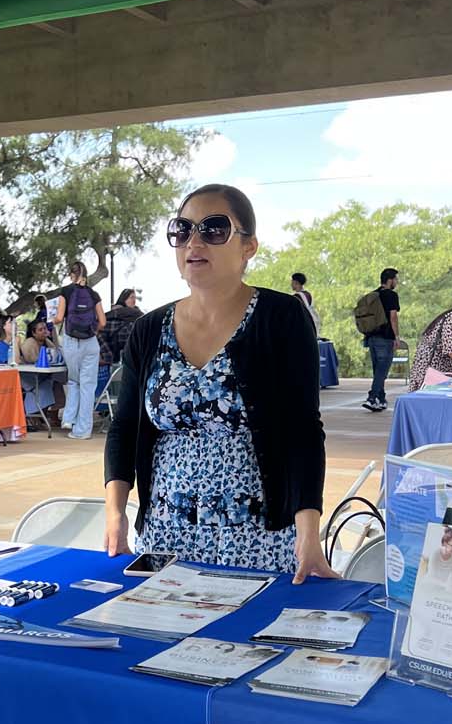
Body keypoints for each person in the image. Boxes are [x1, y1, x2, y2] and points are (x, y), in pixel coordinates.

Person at [103, 183, 334, 581]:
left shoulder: (281, 318)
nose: (195, 241)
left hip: (257, 531)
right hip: (166, 527)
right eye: (183, 229)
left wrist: (309, 531)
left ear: (249, 246)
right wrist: (115, 514)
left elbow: (302, 430)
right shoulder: (148, 329)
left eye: (214, 229)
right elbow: (125, 427)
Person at [54, 260, 106, 439]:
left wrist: (52, 320)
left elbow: (60, 317)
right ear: (86, 275)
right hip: (91, 343)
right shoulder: (94, 294)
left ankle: (68, 418)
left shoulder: (66, 292)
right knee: (88, 386)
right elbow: (103, 322)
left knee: (74, 381)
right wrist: (92, 331)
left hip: (72, 342)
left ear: (71, 275)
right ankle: (83, 430)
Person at [361, 267, 401, 414]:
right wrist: (396, 336)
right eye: (396, 279)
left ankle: (381, 400)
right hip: (385, 338)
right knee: (382, 371)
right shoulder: (391, 295)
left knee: (378, 370)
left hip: (371, 337)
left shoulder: (373, 295)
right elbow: (393, 317)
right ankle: (371, 398)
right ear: (390, 280)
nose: (397, 282)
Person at [18, 317, 66, 420]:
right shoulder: (29, 343)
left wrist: (53, 333)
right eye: (41, 329)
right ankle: (36, 416)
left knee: (57, 382)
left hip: (41, 374)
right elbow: (31, 360)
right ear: (33, 333)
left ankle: (53, 416)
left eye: (45, 328)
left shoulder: (46, 341)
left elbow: (56, 351)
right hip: (28, 376)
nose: (44, 331)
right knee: (50, 383)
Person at [100, 287, 144, 365]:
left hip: (134, 358)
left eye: (134, 297)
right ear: (124, 299)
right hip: (114, 358)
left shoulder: (139, 317)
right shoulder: (114, 316)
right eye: (131, 297)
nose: (134, 300)